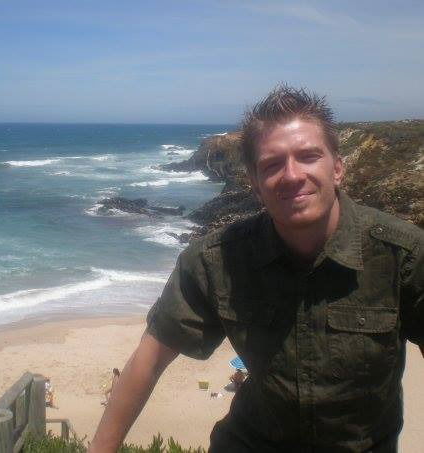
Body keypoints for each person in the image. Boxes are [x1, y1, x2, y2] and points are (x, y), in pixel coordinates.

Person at [89, 85, 424, 452]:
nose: (292, 175)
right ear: (255, 183)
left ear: (338, 168)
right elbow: (149, 360)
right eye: (272, 164)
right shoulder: (216, 260)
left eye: (308, 156)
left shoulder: (403, 256)